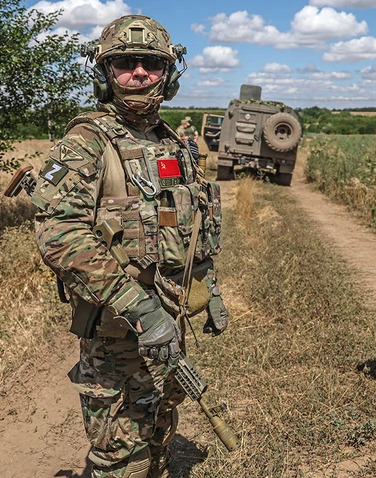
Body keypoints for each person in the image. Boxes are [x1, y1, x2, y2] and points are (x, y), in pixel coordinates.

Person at [29, 15, 229, 478]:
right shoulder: (87, 142)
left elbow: (187, 224)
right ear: (106, 72)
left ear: (169, 75)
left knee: (159, 432)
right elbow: (60, 236)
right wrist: (140, 309)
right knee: (119, 455)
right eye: (125, 62)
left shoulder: (172, 143)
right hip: (118, 335)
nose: (139, 73)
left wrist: (208, 288)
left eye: (151, 64)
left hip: (170, 326)